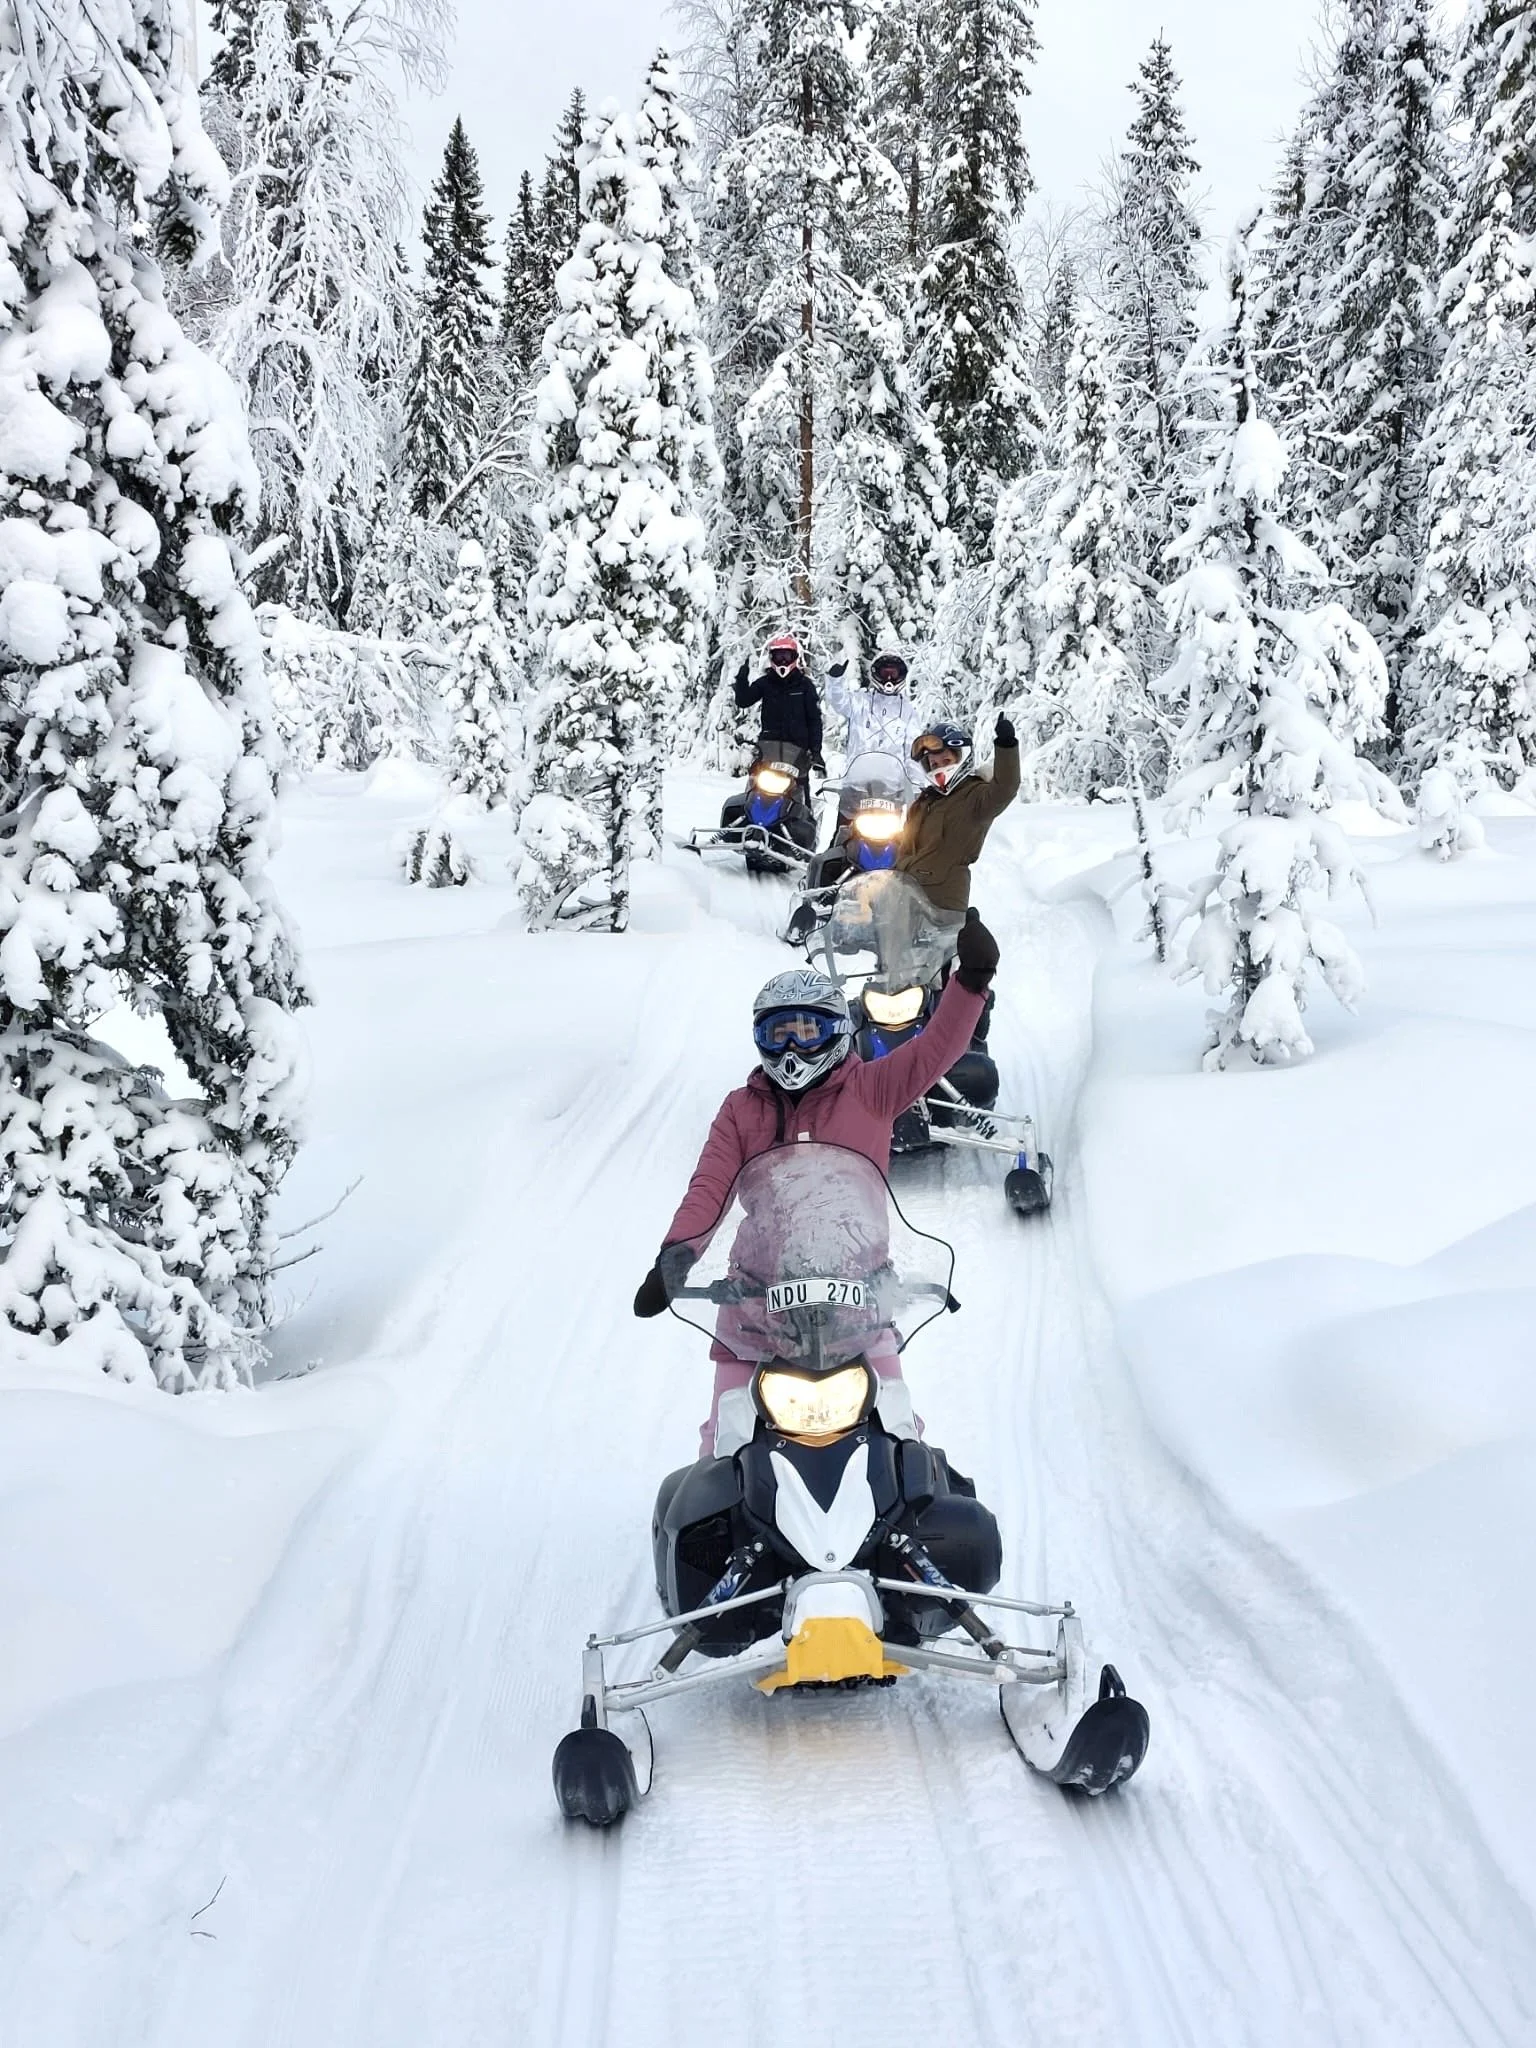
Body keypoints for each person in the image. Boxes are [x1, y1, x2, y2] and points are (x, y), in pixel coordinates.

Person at [633, 922, 1001, 1451]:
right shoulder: (741, 1109)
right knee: (726, 1438)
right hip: (756, 1299)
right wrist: (677, 1257)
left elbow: (934, 1050)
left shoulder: (872, 1089)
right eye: (777, 1034)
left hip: (858, 1296)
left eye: (805, 1032)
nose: (791, 1050)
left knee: (897, 1429)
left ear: (835, 1032)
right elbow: (709, 1187)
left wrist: (971, 982)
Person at [895, 713, 1020, 916]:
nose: (939, 767)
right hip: (903, 896)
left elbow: (1006, 788)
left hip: (942, 902)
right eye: (934, 764)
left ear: (960, 757)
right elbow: (905, 846)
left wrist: (1006, 746)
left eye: (945, 760)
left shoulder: (975, 797)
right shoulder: (923, 802)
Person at [824, 651, 926, 811]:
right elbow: (838, 702)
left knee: (899, 835)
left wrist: (917, 786)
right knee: (842, 832)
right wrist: (835, 680)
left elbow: (913, 753)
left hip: (891, 791)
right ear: (876, 674)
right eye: (885, 674)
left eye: (893, 674)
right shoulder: (860, 702)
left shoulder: (908, 712)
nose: (889, 680)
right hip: (856, 786)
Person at [733, 633, 825, 775]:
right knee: (755, 785)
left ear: (794, 657)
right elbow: (743, 701)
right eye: (778, 656)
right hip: (769, 749)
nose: (782, 661)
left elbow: (814, 720)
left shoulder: (804, 685)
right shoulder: (766, 683)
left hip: (797, 752)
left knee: (800, 789)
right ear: (771, 658)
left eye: (786, 656)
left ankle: (804, 797)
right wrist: (741, 680)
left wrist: (816, 752)